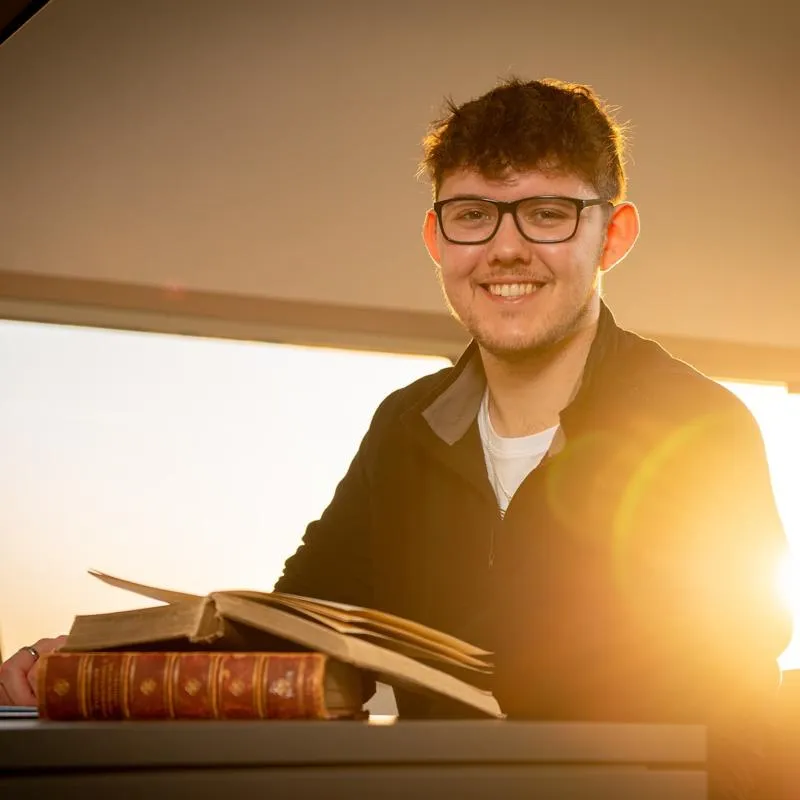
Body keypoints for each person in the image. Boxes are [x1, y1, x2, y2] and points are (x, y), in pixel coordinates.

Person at [0, 78, 793, 798]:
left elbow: (736, 710)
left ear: (612, 235)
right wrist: (103, 667)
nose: (505, 248)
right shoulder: (403, 429)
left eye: (548, 214)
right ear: (436, 239)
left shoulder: (700, 427)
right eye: (473, 215)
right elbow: (297, 627)